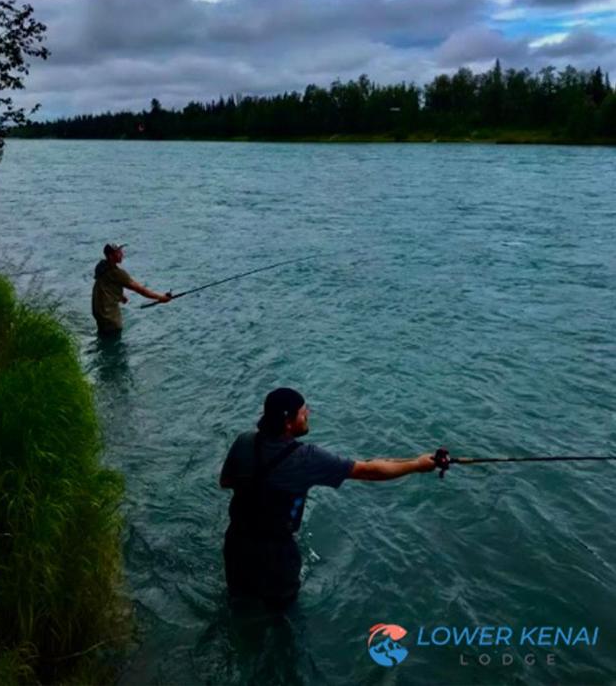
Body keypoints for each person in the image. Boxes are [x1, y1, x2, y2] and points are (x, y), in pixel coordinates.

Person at [219, 387, 436, 609]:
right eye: (304, 413)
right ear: (288, 424)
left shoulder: (244, 441)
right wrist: (417, 465)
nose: (308, 415)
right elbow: (368, 471)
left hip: (237, 543)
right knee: (280, 613)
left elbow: (225, 482)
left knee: (238, 601)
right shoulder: (307, 458)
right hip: (277, 556)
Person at [92, 243, 172, 335]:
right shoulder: (117, 273)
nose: (122, 254)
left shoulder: (101, 266)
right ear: (110, 256)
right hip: (109, 316)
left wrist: (120, 295)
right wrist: (161, 298)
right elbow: (139, 289)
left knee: (103, 335)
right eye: (118, 252)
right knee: (114, 335)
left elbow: (106, 283)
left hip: (99, 312)